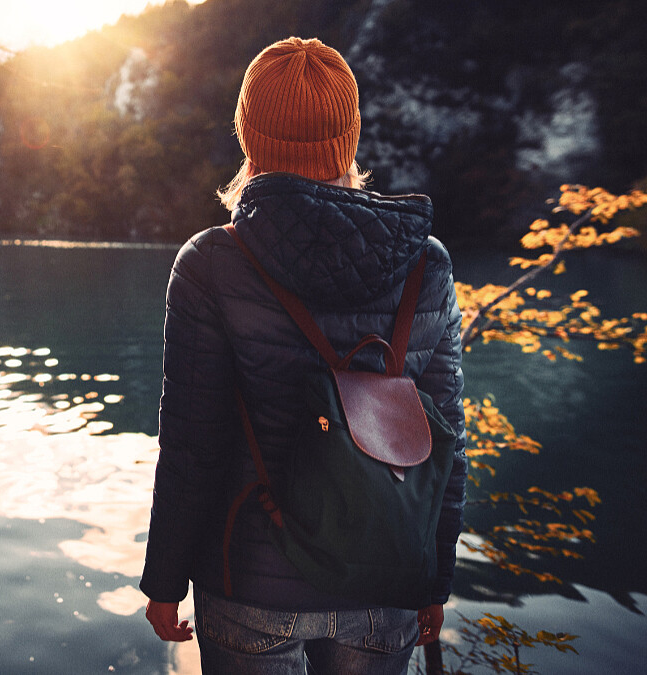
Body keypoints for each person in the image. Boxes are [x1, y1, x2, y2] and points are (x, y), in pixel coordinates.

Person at [139, 37, 467, 674]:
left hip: (248, 583)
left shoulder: (209, 264)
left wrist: (165, 580)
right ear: (350, 138)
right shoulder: (427, 265)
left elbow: (191, 446)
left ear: (248, 135)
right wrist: (434, 579)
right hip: (385, 582)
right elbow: (445, 439)